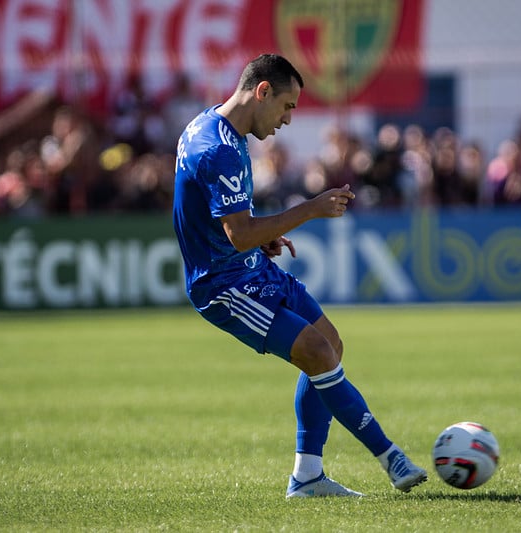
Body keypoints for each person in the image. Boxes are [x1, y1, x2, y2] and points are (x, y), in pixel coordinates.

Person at [172, 53, 427, 498]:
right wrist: (310, 209)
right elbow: (237, 233)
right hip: (224, 285)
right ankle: (391, 457)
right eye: (287, 107)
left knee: (331, 343)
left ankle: (307, 476)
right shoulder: (217, 148)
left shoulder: (211, 127)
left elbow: (226, 221)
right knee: (317, 352)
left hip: (250, 266)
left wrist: (259, 239)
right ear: (262, 91)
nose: (289, 120)